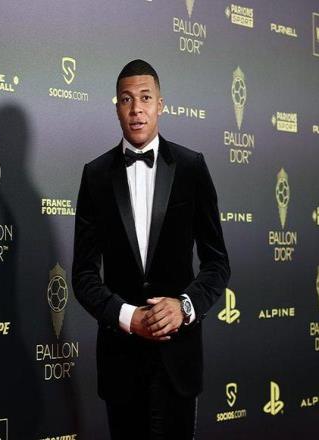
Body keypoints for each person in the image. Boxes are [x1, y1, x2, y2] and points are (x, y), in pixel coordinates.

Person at [72, 59, 230, 439]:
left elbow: (217, 264)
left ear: (161, 105)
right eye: (127, 99)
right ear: (117, 108)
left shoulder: (192, 167)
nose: (136, 109)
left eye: (145, 98)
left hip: (178, 361)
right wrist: (129, 317)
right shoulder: (95, 175)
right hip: (121, 362)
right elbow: (83, 275)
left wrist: (184, 307)